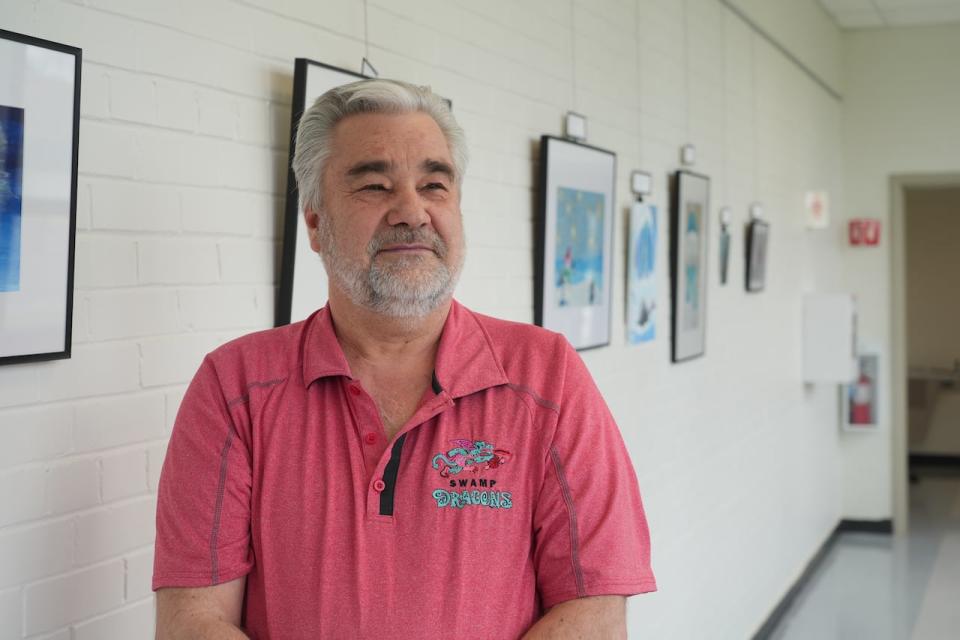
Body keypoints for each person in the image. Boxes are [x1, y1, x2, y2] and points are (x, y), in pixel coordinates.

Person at [153, 79, 656, 639]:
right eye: (374, 185)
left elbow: (596, 612)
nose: (411, 212)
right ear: (316, 222)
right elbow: (192, 622)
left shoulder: (548, 376)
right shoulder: (234, 388)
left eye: (434, 184)